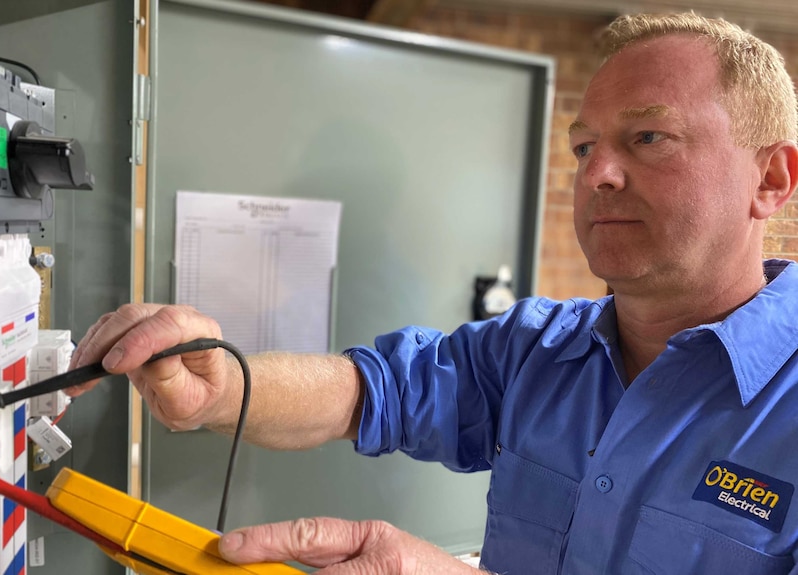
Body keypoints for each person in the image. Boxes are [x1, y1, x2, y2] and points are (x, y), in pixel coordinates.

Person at [70, 12, 798, 574]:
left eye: (646, 139)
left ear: (770, 180)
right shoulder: (538, 349)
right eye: (583, 146)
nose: (597, 172)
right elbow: (370, 388)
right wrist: (225, 386)